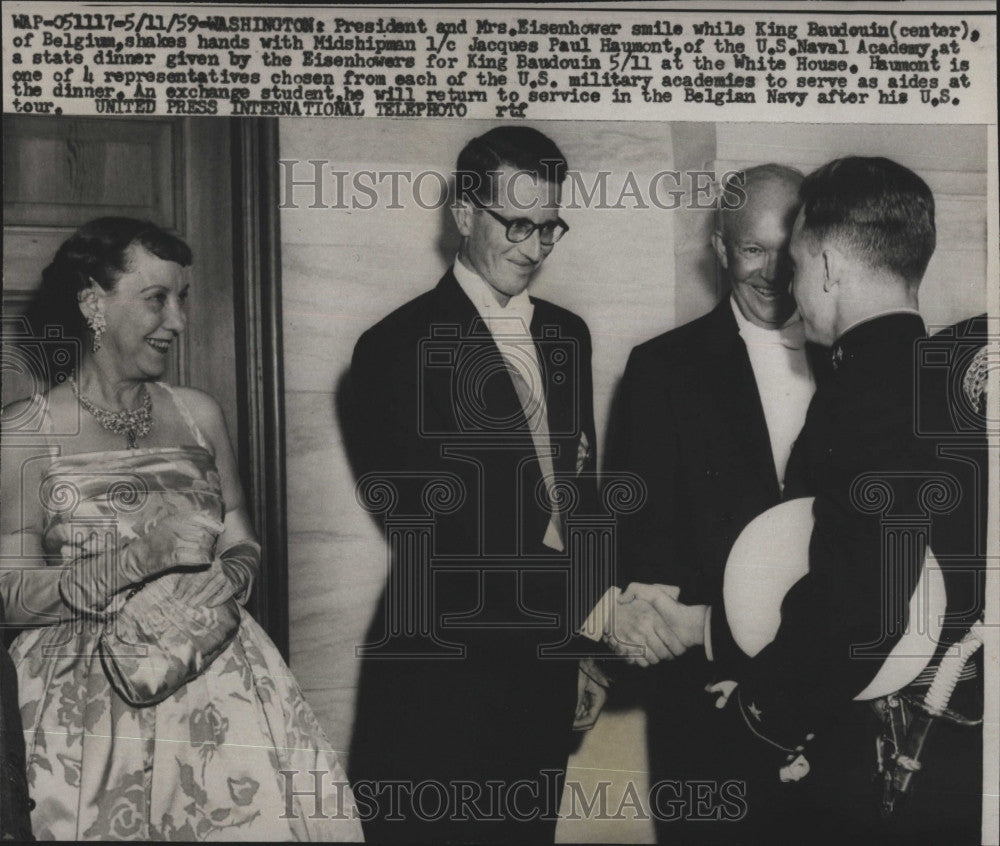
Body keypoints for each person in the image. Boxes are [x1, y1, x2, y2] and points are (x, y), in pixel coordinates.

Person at [630, 157, 985, 840]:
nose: (785, 279)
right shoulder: (954, 377)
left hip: (886, 772)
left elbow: (864, 600)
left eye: (791, 258)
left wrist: (760, 711)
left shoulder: (860, 398)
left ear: (823, 264)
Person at [0, 217, 364, 841]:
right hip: (83, 705)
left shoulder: (198, 415)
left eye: (182, 298)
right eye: (156, 299)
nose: (178, 321)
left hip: (220, 681)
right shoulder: (24, 432)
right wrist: (138, 558)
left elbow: (240, 534)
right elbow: (9, 593)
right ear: (94, 303)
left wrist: (234, 569)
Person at [348, 126, 605, 843]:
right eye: (516, 223)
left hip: (542, 671)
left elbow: (576, 497)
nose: (534, 247)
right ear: (464, 213)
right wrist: (606, 617)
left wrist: (580, 650)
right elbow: (445, 532)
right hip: (441, 676)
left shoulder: (568, 336)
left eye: (549, 227)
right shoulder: (393, 348)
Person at [599, 164, 820, 841]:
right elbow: (638, 536)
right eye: (753, 249)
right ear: (721, 251)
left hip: (830, 693)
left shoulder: (850, 360)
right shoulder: (661, 368)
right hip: (708, 703)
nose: (772, 271)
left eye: (789, 249)